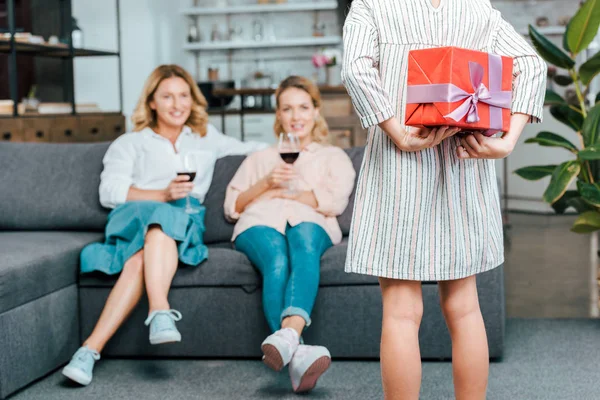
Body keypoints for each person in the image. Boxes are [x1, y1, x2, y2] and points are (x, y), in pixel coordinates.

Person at [341, 1, 546, 399]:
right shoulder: (473, 7)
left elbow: (355, 69)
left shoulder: (372, 5)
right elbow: (531, 66)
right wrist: (506, 142)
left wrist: (397, 131)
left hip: (399, 166)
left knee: (401, 313)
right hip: (464, 162)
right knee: (465, 307)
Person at [61, 64, 267, 386]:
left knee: (141, 261)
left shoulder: (205, 138)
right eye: (167, 96)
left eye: (184, 95)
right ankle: (159, 310)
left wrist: (304, 146)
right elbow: (110, 192)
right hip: (135, 219)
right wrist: (162, 193)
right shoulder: (130, 143)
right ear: (152, 102)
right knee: (160, 218)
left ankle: (88, 351)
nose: (177, 104)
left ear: (193, 100)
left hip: (182, 225)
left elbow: (251, 149)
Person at [224, 76, 356, 393]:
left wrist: (296, 193)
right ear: (278, 115)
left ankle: (289, 337)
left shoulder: (333, 157)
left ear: (315, 111)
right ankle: (297, 352)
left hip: (313, 223)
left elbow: (334, 202)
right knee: (276, 260)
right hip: (259, 223)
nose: (296, 116)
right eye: (287, 109)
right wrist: (267, 184)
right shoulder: (259, 158)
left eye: (303, 107)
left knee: (304, 240)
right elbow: (233, 206)